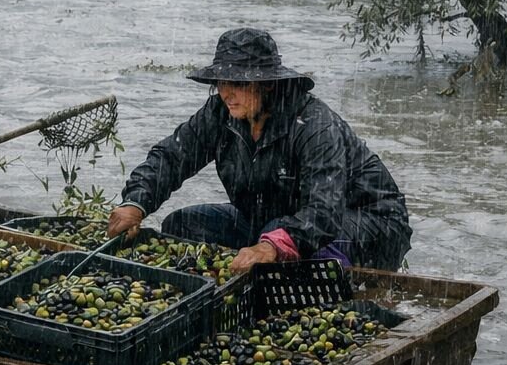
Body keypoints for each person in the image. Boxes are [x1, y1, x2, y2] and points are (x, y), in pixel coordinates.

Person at [106, 27, 411, 272]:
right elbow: (172, 157)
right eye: (221, 82)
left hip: (368, 224)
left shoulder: (315, 126)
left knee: (279, 234)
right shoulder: (220, 113)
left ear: (266, 84)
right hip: (274, 216)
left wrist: (271, 245)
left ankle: (310, 277)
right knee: (183, 225)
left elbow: (324, 211)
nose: (226, 92)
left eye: (237, 82)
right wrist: (136, 203)